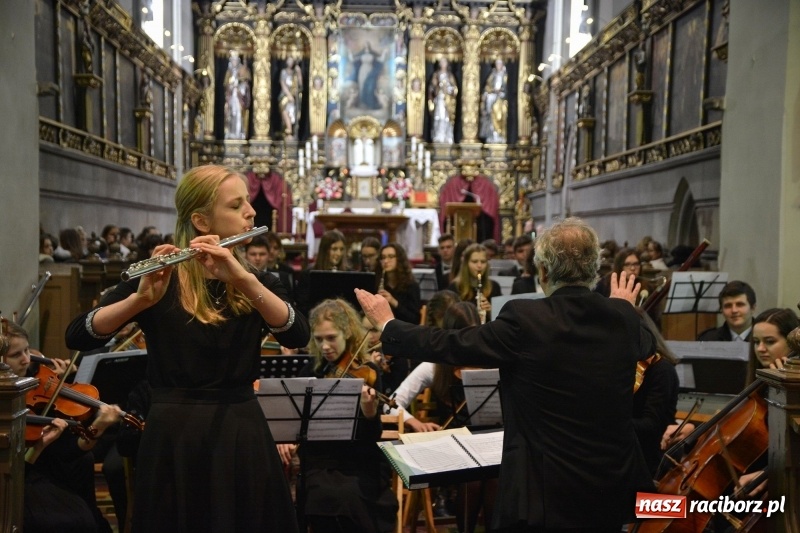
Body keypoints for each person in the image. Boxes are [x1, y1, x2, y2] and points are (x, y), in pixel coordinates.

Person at [357, 217, 655, 532]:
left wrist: (389, 325)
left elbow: (452, 344)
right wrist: (623, 309)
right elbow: (645, 343)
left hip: (542, 494)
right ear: (594, 269)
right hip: (608, 490)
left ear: (542, 272)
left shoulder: (526, 319)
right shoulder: (622, 317)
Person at [65, 164, 309, 532]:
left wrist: (243, 279)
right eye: (236, 205)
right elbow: (77, 336)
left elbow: (297, 334)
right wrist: (138, 302)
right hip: (172, 435)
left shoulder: (257, 280)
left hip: (240, 427)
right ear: (201, 220)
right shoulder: (160, 275)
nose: (251, 212)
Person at [277, 299, 398, 533]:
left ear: (348, 334)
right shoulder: (310, 372)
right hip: (320, 464)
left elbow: (371, 436)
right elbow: (296, 420)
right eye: (319, 339)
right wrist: (286, 437)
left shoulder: (368, 372)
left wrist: (370, 411)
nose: (324, 346)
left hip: (359, 464)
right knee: (321, 493)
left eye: (331, 338)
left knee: (343, 496)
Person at [2, 322, 123, 533]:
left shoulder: (34, 384)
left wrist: (62, 383)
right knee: (73, 519)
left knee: (82, 464)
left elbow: (67, 450)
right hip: (19, 478)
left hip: (41, 466)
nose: (27, 359)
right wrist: (40, 446)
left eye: (27, 350)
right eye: (16, 354)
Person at [632, 309, 680, 476]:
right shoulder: (621, 367)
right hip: (628, 459)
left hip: (655, 464)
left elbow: (650, 426)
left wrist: (606, 423)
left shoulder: (661, 370)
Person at [296, 229, 349, 316]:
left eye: (341, 249)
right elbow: (302, 305)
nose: (339, 253)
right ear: (325, 250)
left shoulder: (349, 273)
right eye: (334, 249)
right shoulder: (308, 274)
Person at [448, 243, 501, 322]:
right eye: (475, 262)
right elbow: (451, 319)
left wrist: (491, 311)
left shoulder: (494, 286)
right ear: (466, 264)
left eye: (483, 262)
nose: (479, 266)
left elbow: (500, 319)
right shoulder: (455, 287)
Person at [375, 242, 421, 325]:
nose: (385, 261)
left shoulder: (411, 285)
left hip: (403, 330)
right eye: (383, 257)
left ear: (399, 259)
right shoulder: (378, 283)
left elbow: (414, 319)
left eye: (391, 257)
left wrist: (393, 301)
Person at [428, 57, 458, 144]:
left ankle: (447, 136)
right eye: (441, 62)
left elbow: (455, 89)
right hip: (439, 99)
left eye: (445, 62)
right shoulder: (436, 75)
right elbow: (431, 88)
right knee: (438, 117)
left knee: (446, 118)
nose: (443, 64)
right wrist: (438, 87)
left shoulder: (450, 76)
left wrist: (448, 89)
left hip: (447, 101)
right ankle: (438, 136)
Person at [223, 51, 251, 140]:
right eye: (232, 60)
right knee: (231, 114)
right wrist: (231, 87)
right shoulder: (229, 72)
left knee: (239, 114)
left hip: (239, 98)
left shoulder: (242, 71)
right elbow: (226, 85)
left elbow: (245, 85)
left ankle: (239, 133)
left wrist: (239, 86)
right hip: (231, 97)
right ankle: (231, 133)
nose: (234, 62)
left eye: (235, 60)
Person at [480, 58, 508, 143]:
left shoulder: (505, 75)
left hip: (500, 100)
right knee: (492, 117)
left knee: (499, 116)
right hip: (492, 98)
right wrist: (490, 91)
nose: (498, 66)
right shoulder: (492, 74)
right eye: (497, 64)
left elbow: (507, 89)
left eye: (500, 64)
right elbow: (487, 86)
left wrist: (500, 92)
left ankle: (500, 135)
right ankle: (493, 135)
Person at [279, 56, 303, 138]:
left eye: (292, 61)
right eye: (289, 61)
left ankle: (290, 131)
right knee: (284, 111)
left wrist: (299, 72)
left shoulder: (295, 73)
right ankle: (288, 130)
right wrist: (288, 95)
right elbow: (283, 84)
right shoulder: (283, 72)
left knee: (291, 113)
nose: (290, 62)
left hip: (293, 98)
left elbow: (300, 85)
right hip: (285, 96)